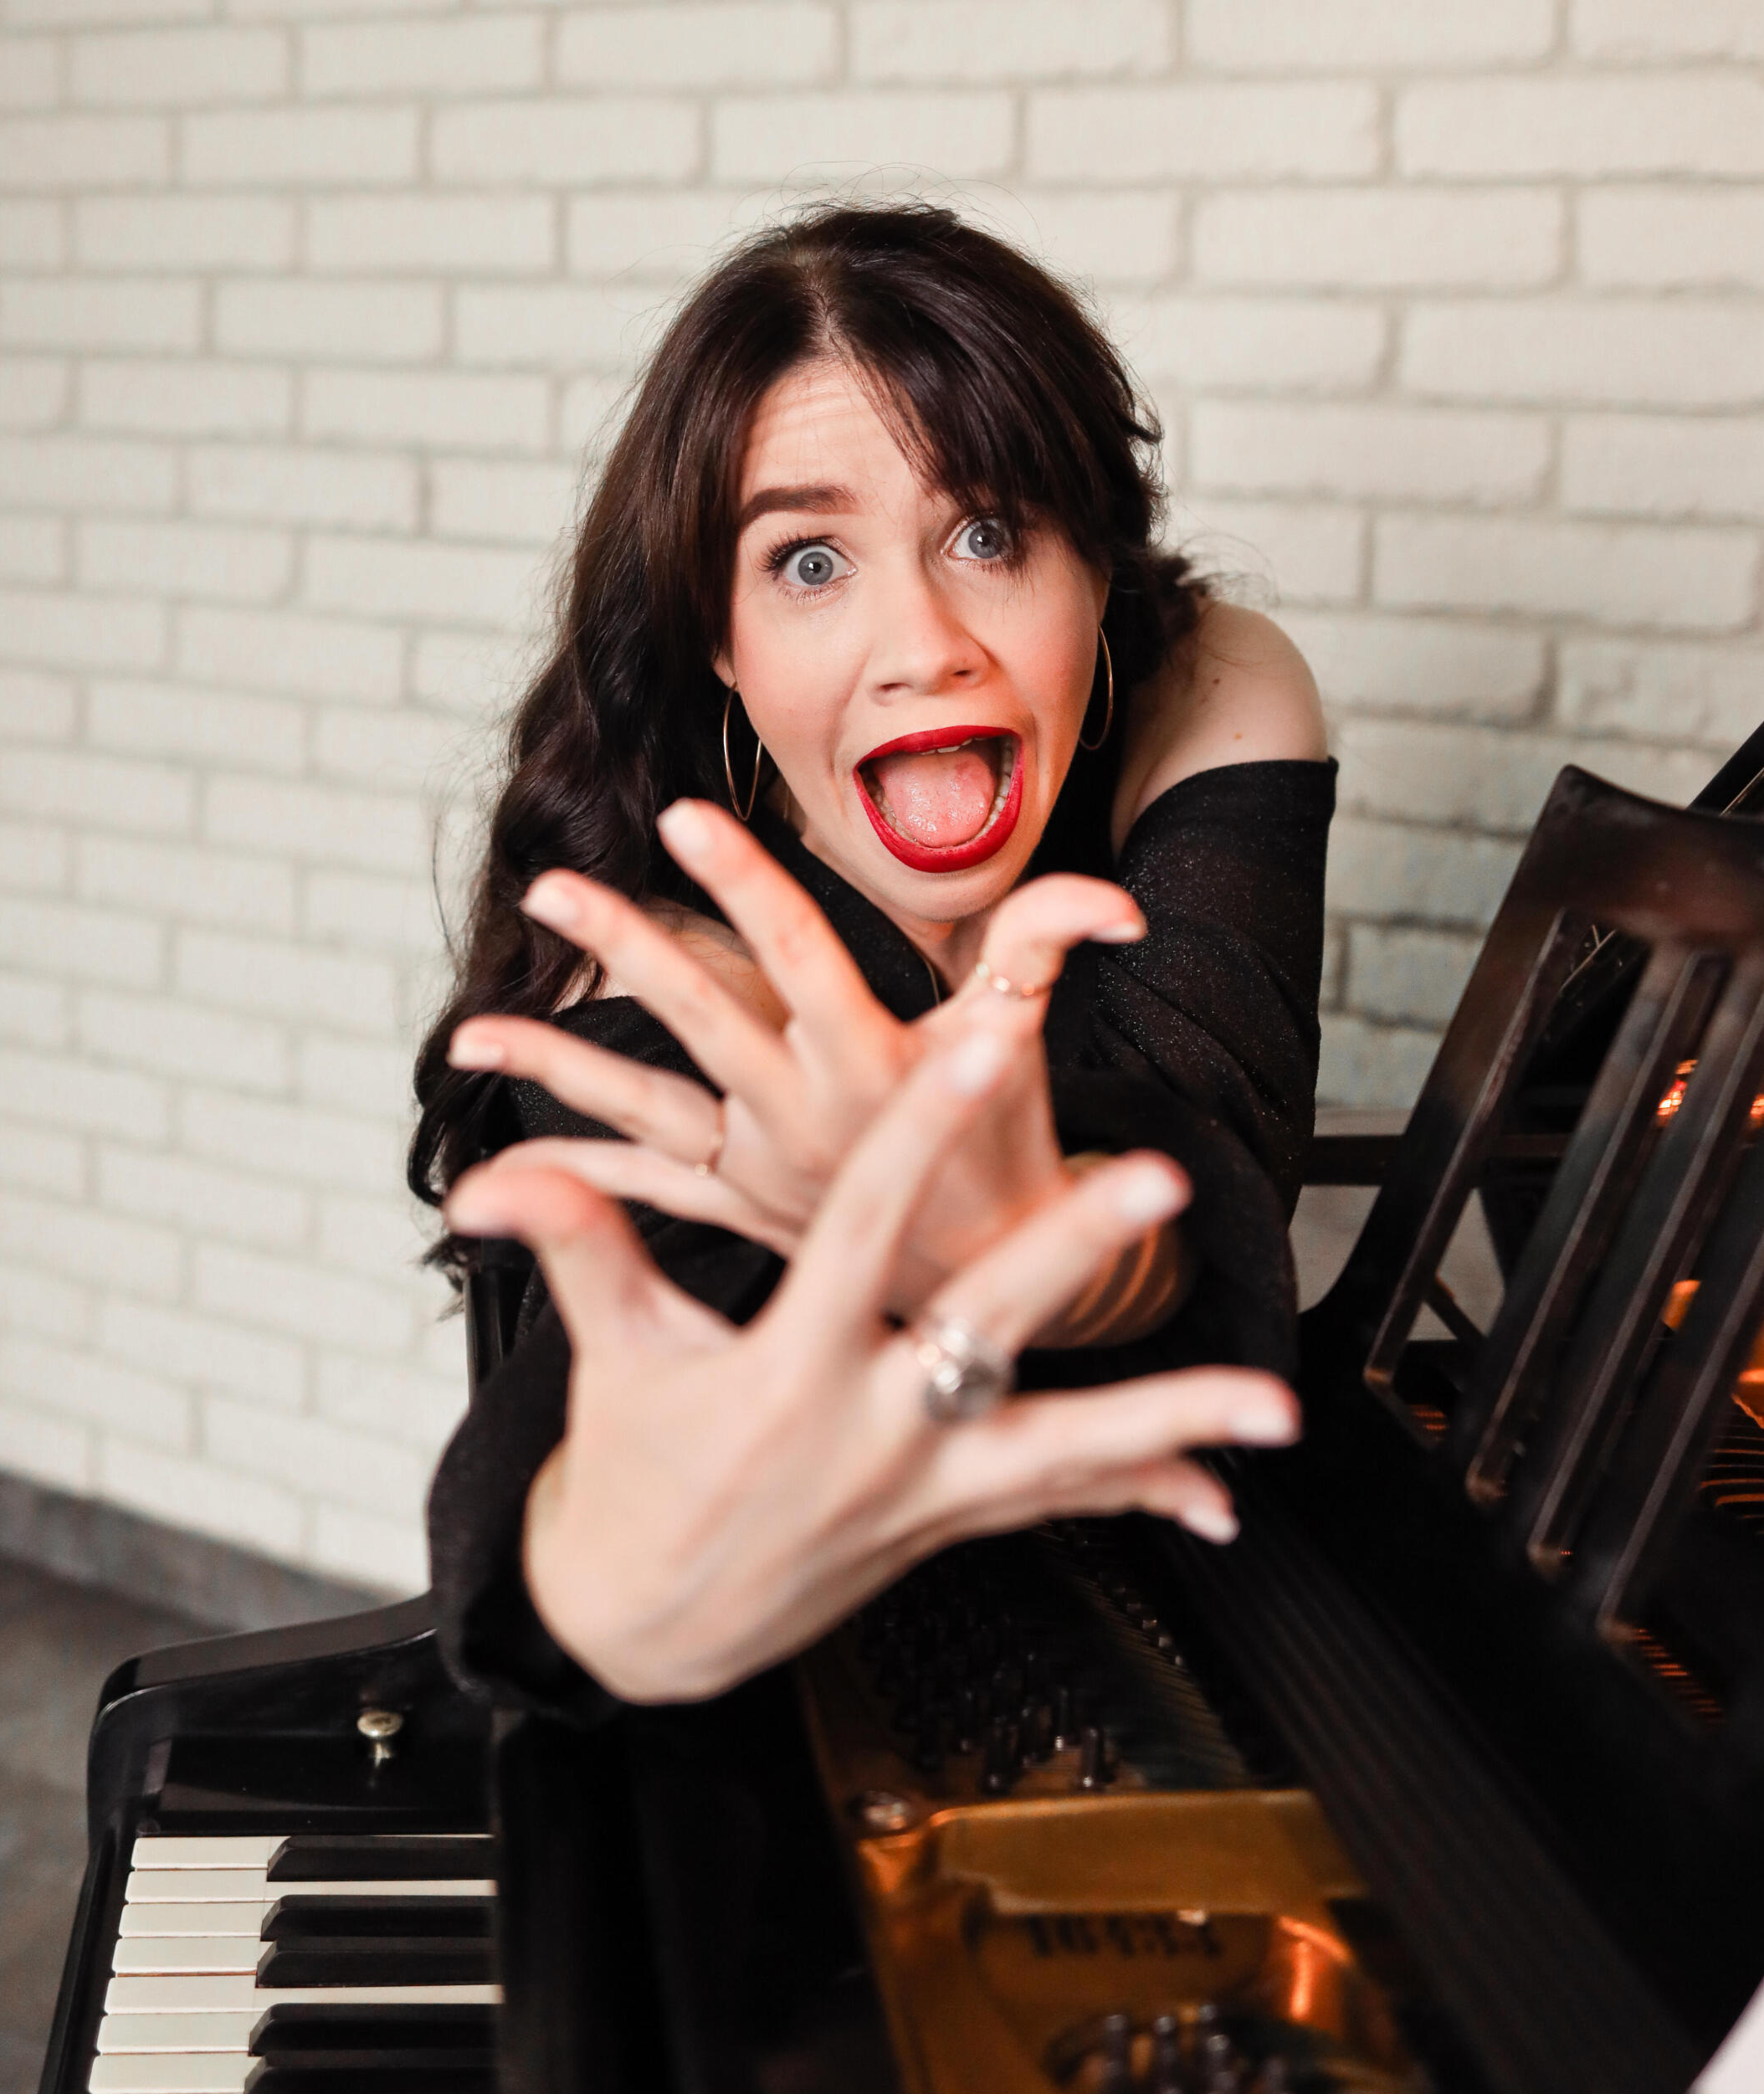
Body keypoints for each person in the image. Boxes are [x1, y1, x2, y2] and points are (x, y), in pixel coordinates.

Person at [411, 203, 1332, 1719]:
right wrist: (607, 1592)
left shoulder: (1210, 682)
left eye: (989, 534)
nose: (923, 645)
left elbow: (1211, 1122)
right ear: (719, 636)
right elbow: (633, 1396)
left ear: (1093, 567)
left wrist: (1005, 1237)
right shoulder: (656, 970)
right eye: (809, 562)